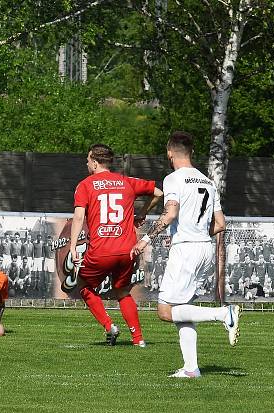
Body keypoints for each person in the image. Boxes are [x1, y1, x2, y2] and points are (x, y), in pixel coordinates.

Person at [130, 131, 241, 379]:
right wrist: (199, 232)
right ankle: (191, 368)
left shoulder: (173, 179)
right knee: (182, 309)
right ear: (190, 152)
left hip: (186, 249)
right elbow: (220, 223)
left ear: (170, 153)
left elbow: (170, 213)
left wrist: (145, 239)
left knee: (164, 311)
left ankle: (224, 314)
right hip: (204, 248)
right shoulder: (208, 181)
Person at [69, 143, 163, 347]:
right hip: (127, 250)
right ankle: (138, 339)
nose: (87, 163)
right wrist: (143, 212)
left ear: (94, 162)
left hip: (102, 250)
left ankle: (109, 326)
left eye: (87, 160)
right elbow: (158, 192)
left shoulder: (85, 185)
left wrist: (73, 246)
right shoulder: (126, 181)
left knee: (84, 285)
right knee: (122, 292)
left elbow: (78, 218)